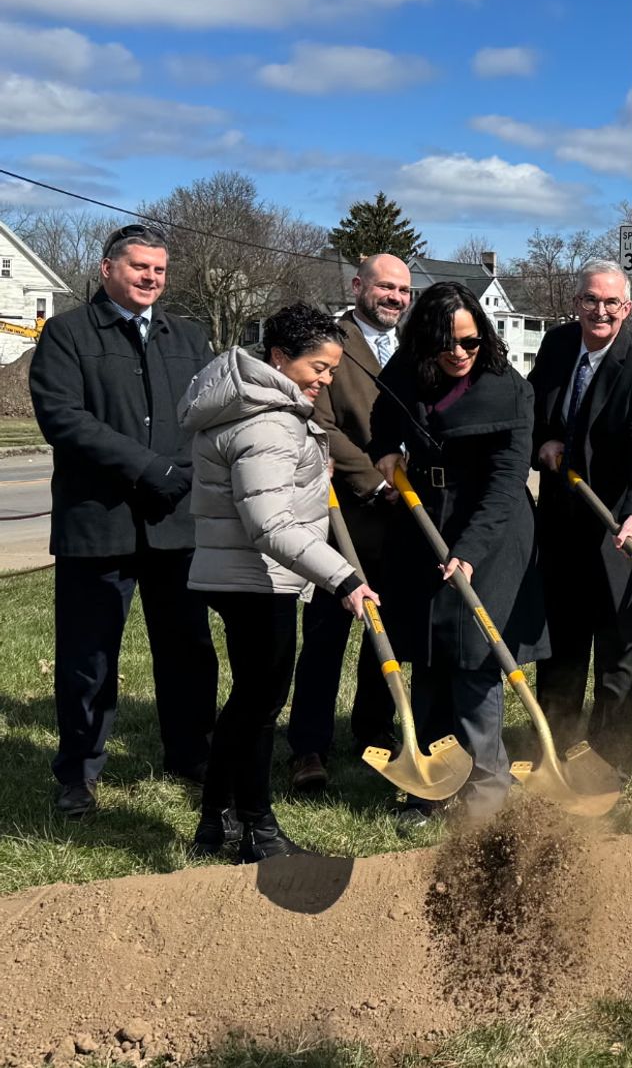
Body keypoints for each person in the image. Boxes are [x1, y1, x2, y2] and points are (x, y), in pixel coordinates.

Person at [180, 303, 382, 861]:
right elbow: (269, 524)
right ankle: (257, 828)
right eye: (317, 368)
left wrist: (315, 468)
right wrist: (343, 579)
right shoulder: (267, 420)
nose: (324, 380)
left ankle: (218, 823)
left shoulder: (260, 405)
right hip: (253, 577)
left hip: (242, 572)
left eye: (332, 371)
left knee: (251, 702)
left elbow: (269, 492)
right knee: (259, 706)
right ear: (278, 358)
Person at [29, 223, 218, 818]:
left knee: (188, 649)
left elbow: (214, 414)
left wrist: (182, 474)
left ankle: (191, 756)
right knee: (90, 657)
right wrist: (151, 469)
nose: (151, 278)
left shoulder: (187, 337)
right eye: (139, 267)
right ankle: (79, 774)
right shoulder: (67, 334)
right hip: (99, 524)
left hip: (175, 524)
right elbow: (64, 419)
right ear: (108, 267)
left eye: (160, 270)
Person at [368, 281, 548, 825]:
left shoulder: (508, 390)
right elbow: (383, 417)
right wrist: (383, 454)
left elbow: (506, 481)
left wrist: (469, 552)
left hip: (489, 532)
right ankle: (430, 786)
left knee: (474, 659)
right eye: (448, 344)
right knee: (426, 656)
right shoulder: (408, 368)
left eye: (470, 343)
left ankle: (486, 792)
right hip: (423, 522)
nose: (459, 354)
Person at [530, 262, 632, 772]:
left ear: (627, 309)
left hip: (618, 533)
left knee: (617, 654)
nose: (601, 311)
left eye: (612, 302)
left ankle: (609, 759)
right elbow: (533, 410)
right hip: (562, 529)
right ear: (577, 302)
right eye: (591, 300)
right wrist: (541, 441)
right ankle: (556, 750)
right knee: (561, 650)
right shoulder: (557, 346)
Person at [285, 253, 410, 792]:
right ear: (359, 286)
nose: (395, 298)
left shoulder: (417, 345)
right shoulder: (332, 342)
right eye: (385, 287)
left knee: (391, 627)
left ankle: (372, 730)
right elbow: (319, 421)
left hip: (405, 517)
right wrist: (375, 479)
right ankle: (308, 746)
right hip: (346, 512)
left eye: (403, 290)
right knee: (327, 631)